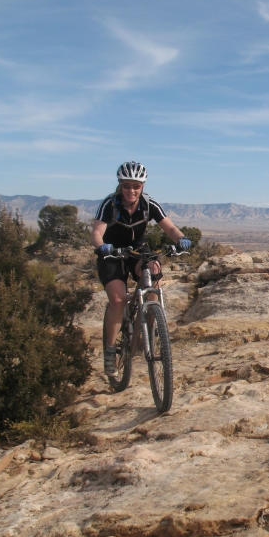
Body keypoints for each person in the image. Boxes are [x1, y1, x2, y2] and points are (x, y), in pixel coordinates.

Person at [91, 161, 192, 378]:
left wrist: (181, 239)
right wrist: (102, 247)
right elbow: (96, 233)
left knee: (154, 271)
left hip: (137, 251)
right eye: (127, 186)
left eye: (136, 186)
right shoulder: (109, 204)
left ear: (142, 186)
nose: (131, 190)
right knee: (118, 300)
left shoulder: (149, 204)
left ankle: (151, 325)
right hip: (112, 253)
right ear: (120, 185)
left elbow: (170, 227)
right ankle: (110, 351)